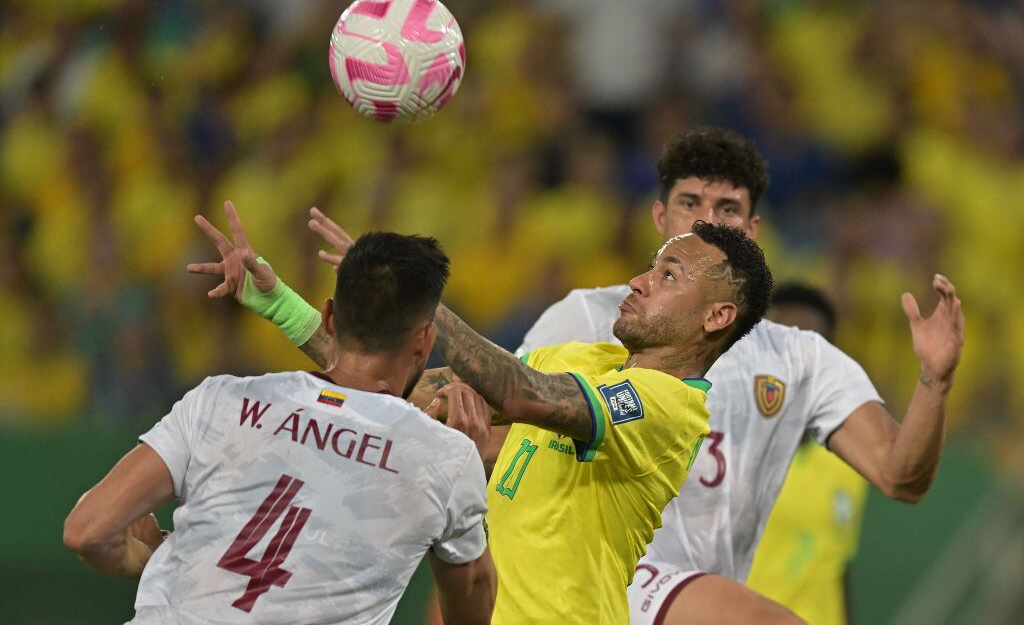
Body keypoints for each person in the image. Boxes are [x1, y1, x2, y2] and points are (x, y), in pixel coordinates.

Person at [191, 205, 774, 624]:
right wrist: (284, 307)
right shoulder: (578, 360)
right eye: (651, 266)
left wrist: (415, 295)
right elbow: (395, 387)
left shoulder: (673, 407)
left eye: (668, 275)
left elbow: (522, 394)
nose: (639, 281)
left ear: (717, 316)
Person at [515, 126, 965, 625]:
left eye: (727, 209)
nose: (707, 221)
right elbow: (500, 436)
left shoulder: (797, 359)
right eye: (689, 203)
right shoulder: (585, 317)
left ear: (751, 230)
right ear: (659, 217)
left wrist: (934, 381)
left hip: (706, 599)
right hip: (590, 594)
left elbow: (902, 477)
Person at [63, 204, 496, 625]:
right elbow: (472, 610)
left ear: (329, 317)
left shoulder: (218, 399)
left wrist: (153, 557)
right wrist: (467, 493)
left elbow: (86, 531)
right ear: (424, 340)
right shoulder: (445, 457)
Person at [745, 283, 869, 625]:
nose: (795, 363)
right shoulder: (721, 450)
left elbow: (837, 567)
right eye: (783, 346)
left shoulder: (847, 463)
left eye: (810, 348)